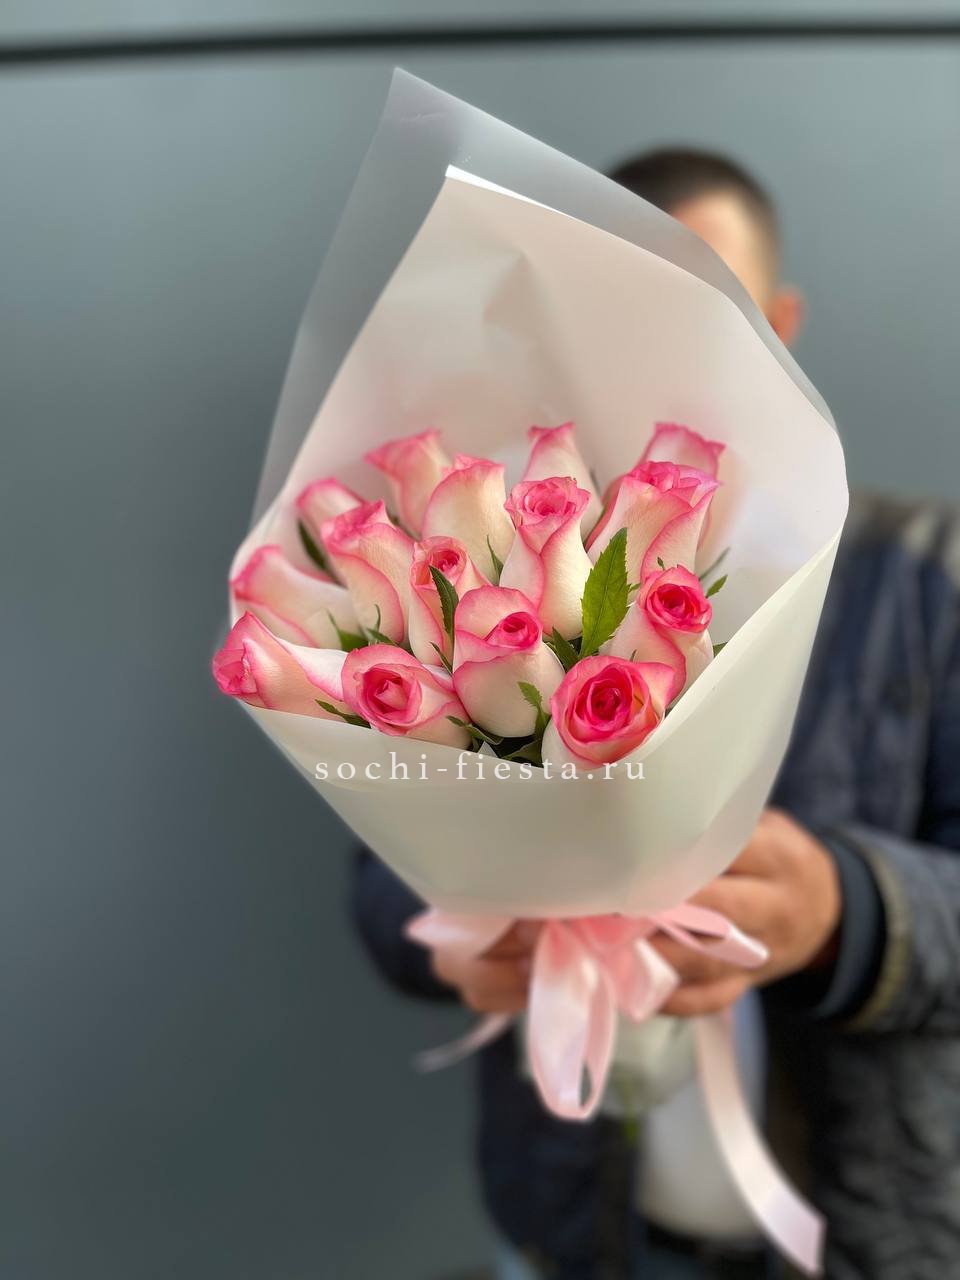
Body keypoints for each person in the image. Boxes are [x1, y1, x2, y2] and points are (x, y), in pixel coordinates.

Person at [351, 149, 960, 1279]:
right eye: (621, 313)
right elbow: (378, 878)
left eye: (707, 307)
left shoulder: (931, 573)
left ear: (781, 321)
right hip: (574, 1232)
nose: (663, 349)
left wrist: (848, 909)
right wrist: (465, 933)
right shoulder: (491, 561)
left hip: (873, 1234)